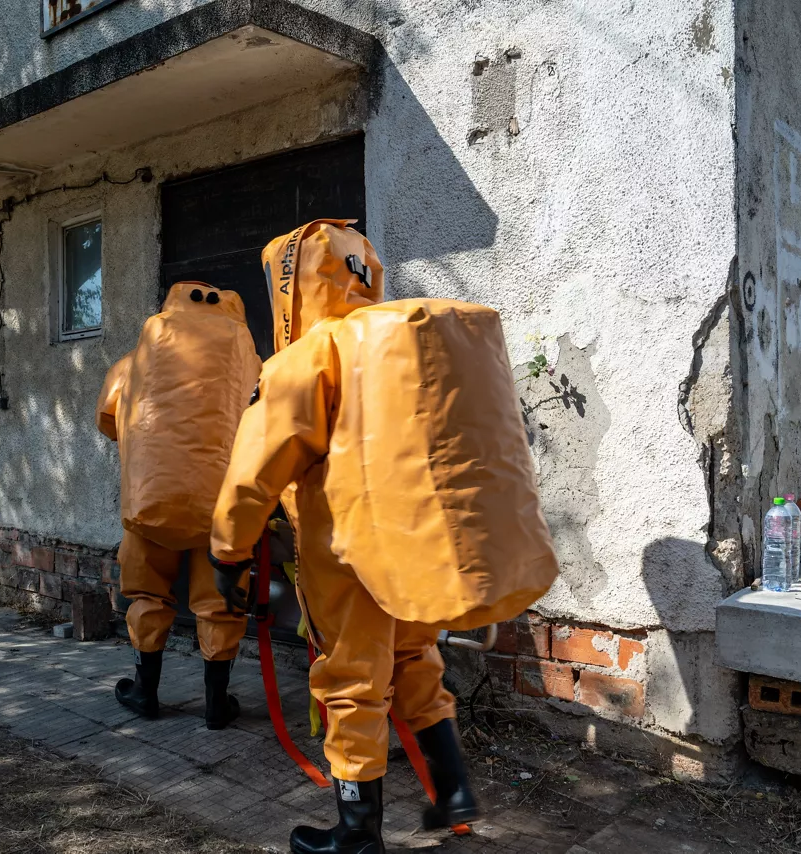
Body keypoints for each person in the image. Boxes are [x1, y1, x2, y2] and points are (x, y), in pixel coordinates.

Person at [210, 221, 559, 853]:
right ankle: (453, 793)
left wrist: (226, 552)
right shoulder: (389, 341)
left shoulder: (309, 356)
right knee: (416, 665)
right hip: (413, 550)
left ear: (289, 283)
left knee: (350, 682)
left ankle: (356, 832)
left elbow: (255, 471)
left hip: (346, 555)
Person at [97, 281, 261, 730]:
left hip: (151, 502)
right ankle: (215, 703)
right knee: (218, 603)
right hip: (222, 509)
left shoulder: (132, 364)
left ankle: (145, 692)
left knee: (148, 593)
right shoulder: (255, 366)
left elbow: (107, 421)